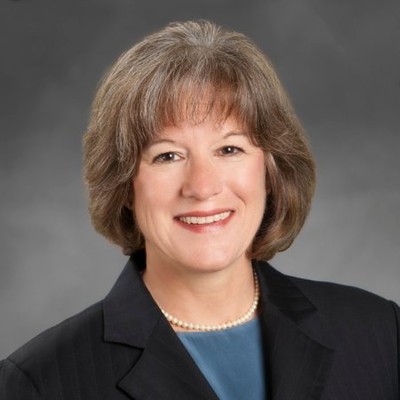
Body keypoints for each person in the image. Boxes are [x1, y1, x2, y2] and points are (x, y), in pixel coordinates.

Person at [0, 19, 398, 400]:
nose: (203, 187)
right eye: (168, 155)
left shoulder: (379, 333)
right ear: (125, 186)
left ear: (270, 169)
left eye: (229, 149)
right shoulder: (40, 383)